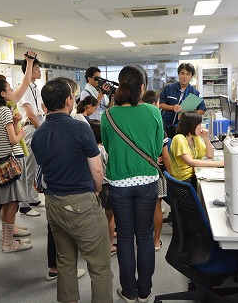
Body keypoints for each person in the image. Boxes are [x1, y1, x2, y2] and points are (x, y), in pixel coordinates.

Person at [32, 78, 112, 303]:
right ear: (69, 101)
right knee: (99, 264)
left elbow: (42, 172)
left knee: (65, 262)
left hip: (53, 204)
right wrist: (96, 191)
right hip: (82, 202)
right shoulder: (80, 127)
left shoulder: (38, 134)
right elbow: (97, 170)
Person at [101, 65, 164, 303]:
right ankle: (145, 291)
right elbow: (157, 149)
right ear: (141, 88)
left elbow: (108, 148)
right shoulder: (152, 112)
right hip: (147, 180)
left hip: (119, 183)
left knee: (125, 237)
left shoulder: (109, 115)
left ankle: (129, 292)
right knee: (146, 237)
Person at [0, 77, 33, 253]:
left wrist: (16, 121)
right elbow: (13, 139)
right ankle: (8, 242)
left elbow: (2, 136)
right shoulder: (4, 110)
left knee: (6, 203)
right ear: (2, 93)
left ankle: (6, 237)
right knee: (11, 203)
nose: (12, 91)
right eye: (9, 89)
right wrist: (22, 131)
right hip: (9, 163)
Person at [142, 90, 171, 252]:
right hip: (156, 173)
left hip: (140, 172)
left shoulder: (138, 126)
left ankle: (143, 239)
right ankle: (156, 241)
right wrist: (171, 174)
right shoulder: (158, 127)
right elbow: (165, 157)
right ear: (154, 104)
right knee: (157, 207)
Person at [169, 111, 224, 188]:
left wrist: (206, 138)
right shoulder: (179, 139)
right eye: (199, 124)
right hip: (183, 181)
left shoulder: (194, 138)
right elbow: (190, 162)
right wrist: (218, 163)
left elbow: (210, 155)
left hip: (193, 175)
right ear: (191, 126)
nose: (201, 127)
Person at [18, 58, 45, 216]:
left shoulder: (35, 87)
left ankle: (32, 197)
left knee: (34, 166)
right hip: (30, 128)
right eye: (36, 68)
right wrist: (43, 130)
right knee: (27, 167)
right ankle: (23, 204)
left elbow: (41, 109)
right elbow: (30, 114)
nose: (39, 71)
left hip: (37, 127)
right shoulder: (25, 88)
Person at [88, 119, 117, 256]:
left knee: (100, 217)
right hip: (108, 185)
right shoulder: (105, 149)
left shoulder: (92, 150)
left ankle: (103, 244)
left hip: (96, 186)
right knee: (109, 217)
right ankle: (110, 243)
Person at [159, 63, 206, 138]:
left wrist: (188, 115)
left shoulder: (195, 93)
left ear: (191, 76)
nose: (184, 77)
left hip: (183, 128)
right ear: (179, 74)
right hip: (165, 126)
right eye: (182, 73)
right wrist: (172, 107)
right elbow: (160, 104)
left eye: (188, 74)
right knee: (166, 147)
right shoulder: (169, 88)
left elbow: (202, 110)